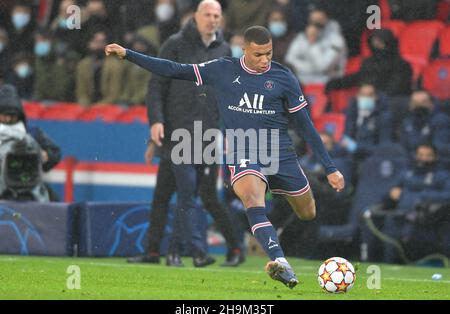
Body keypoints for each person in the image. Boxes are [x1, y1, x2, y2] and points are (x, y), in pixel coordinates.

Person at [105, 25, 345, 288]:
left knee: (307, 212)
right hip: (243, 149)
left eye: (269, 53)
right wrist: (129, 54)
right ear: (244, 49)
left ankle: (268, 232)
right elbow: (174, 69)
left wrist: (330, 167)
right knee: (252, 199)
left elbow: (305, 125)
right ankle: (280, 262)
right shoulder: (222, 69)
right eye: (258, 54)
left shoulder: (284, 77)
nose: (265, 60)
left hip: (279, 152)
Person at [128, 0, 243, 268]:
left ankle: (181, 252)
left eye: (217, 15)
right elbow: (157, 85)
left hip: (205, 136)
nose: (213, 19)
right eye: (208, 14)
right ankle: (167, 252)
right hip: (175, 132)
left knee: (193, 193)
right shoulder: (175, 44)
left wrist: (227, 130)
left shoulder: (225, 50)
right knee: (170, 193)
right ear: (196, 16)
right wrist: (156, 121)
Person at [382, 143, 450, 263]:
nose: (423, 158)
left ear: (435, 157)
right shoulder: (407, 173)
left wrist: (417, 196)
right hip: (401, 219)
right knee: (388, 224)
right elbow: (390, 192)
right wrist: (391, 194)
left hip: (428, 221)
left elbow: (447, 196)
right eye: (420, 155)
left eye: (428, 155)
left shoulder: (442, 175)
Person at [0, 84, 61, 200]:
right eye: (4, 115)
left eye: (12, 115)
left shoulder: (31, 132)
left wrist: (46, 156)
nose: (8, 119)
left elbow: (55, 152)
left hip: (29, 188)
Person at [326, 29, 412, 97]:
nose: (377, 46)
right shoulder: (368, 62)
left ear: (389, 43)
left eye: (380, 43)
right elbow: (357, 77)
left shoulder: (401, 65)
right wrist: (336, 83)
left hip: (386, 103)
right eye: (374, 42)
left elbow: (395, 88)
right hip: (364, 100)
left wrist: (372, 93)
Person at [341, 83, 391, 162]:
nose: (365, 98)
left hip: (371, 159)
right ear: (357, 96)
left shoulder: (383, 117)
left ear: (376, 97)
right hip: (350, 158)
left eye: (370, 95)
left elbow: (384, 147)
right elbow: (345, 139)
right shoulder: (350, 114)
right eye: (362, 95)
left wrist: (357, 148)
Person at [76, 30, 125, 107]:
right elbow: (81, 91)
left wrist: (97, 107)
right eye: (96, 41)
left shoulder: (115, 65)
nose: (99, 45)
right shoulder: (83, 64)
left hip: (109, 106)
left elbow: (114, 94)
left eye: (102, 42)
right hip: (88, 105)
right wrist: (84, 103)